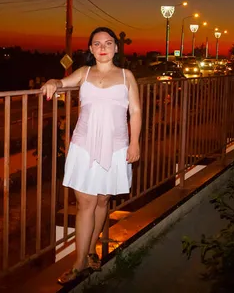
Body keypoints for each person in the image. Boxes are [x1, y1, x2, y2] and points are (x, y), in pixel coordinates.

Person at [41, 27, 142, 284]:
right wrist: (54, 82)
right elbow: (63, 83)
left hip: (116, 146)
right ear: (90, 49)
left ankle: (91, 249)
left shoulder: (126, 75)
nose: (103, 48)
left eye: (108, 43)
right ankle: (79, 264)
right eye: (97, 44)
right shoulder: (84, 73)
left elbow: (136, 111)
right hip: (84, 145)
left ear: (116, 48)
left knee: (101, 201)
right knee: (85, 203)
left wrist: (135, 143)